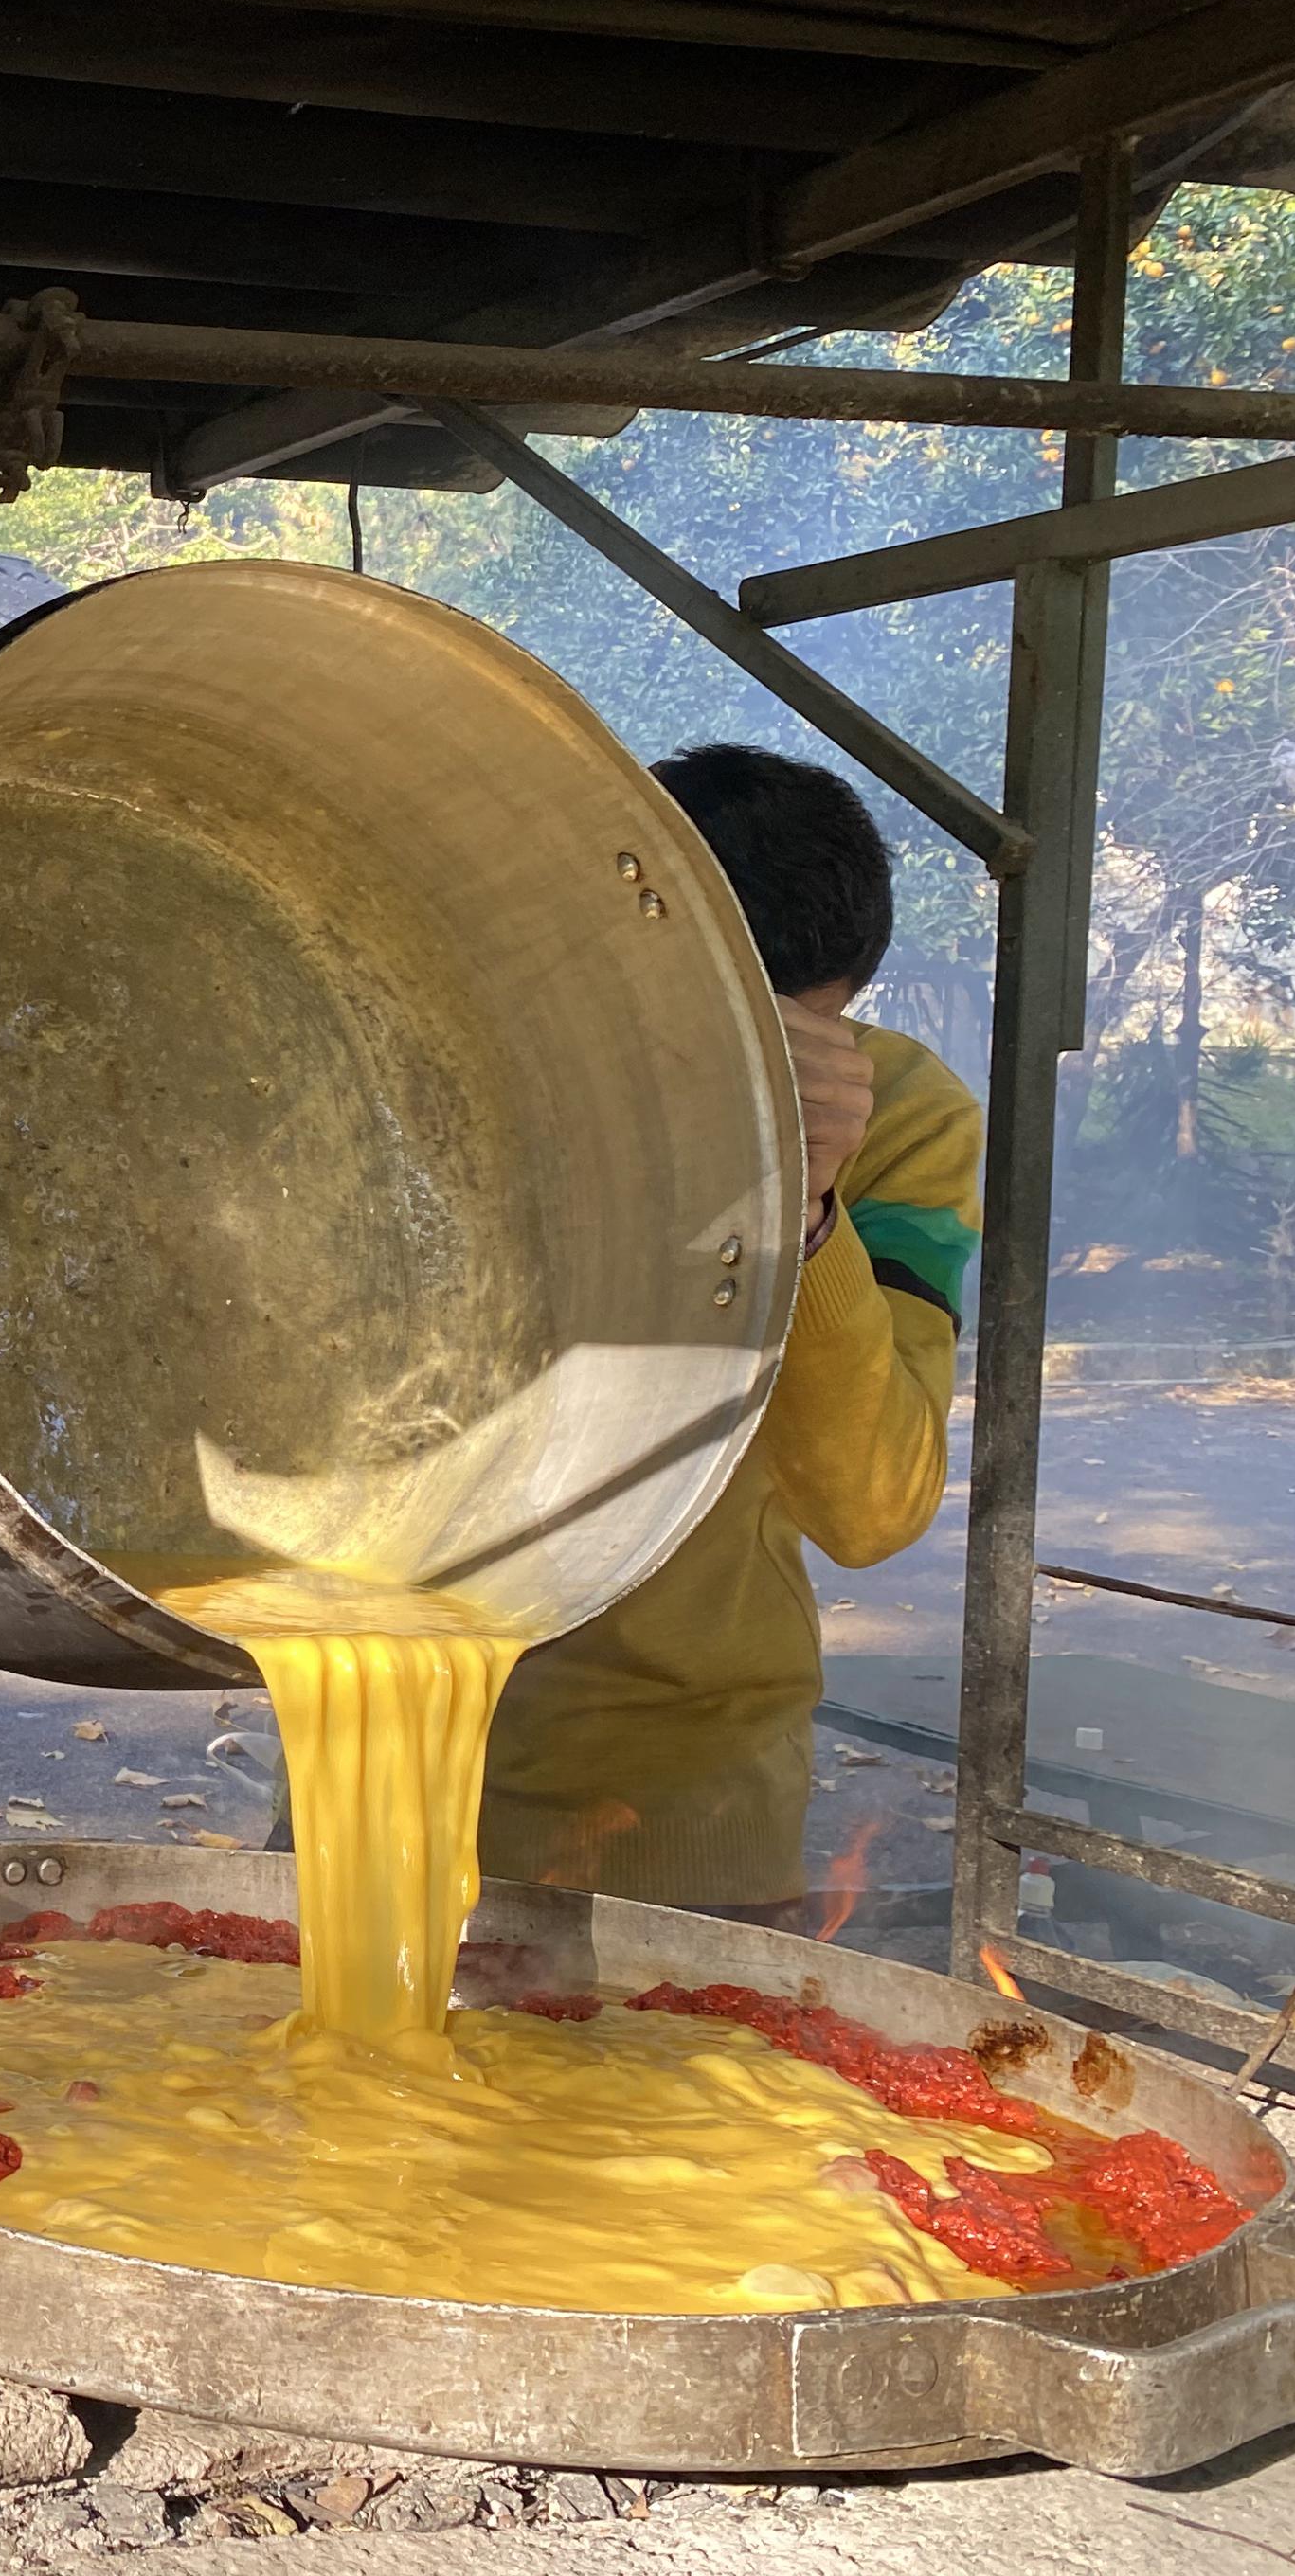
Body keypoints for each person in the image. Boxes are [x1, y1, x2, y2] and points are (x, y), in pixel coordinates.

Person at [477, 742, 980, 1916]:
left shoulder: (902, 1115)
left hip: (675, 1805)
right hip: (378, 1733)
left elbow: (871, 1506)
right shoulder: (487, 1069)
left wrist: (803, 1209)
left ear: (843, 1002)